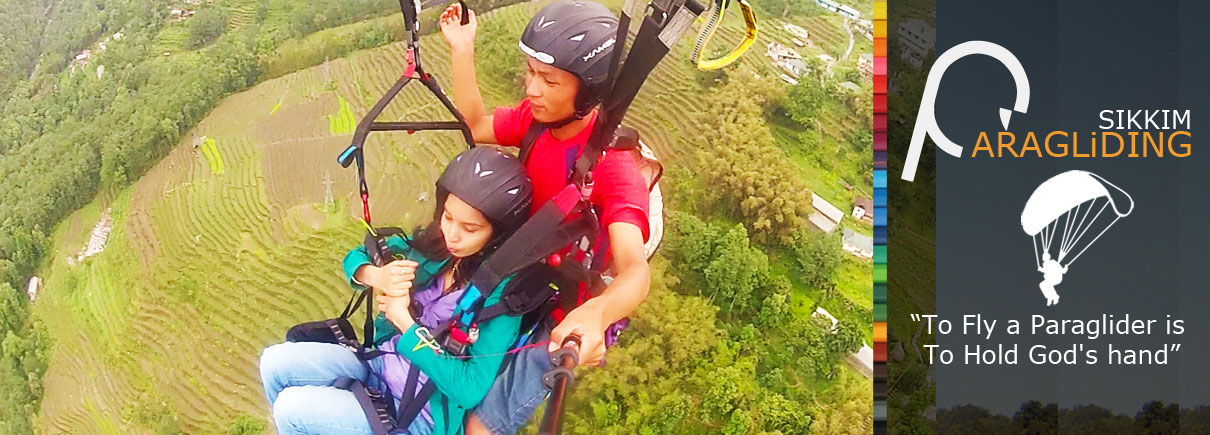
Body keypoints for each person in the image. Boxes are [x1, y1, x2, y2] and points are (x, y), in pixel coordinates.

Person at [438, 1, 652, 433]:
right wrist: (462, 49)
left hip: (562, 308)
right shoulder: (537, 122)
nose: (532, 89)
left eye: (549, 80)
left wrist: (597, 315)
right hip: (517, 274)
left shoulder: (613, 169)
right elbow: (476, 125)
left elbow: (635, 268)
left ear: (588, 92)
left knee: (480, 426)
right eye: (530, 72)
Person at [259, 147, 535, 435]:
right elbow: (358, 255)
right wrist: (378, 276)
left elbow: (469, 389)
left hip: (416, 412)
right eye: (448, 216)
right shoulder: (437, 249)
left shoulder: (500, 295)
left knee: (291, 410)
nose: (452, 234)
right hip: (379, 365)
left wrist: (405, 322)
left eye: (470, 228)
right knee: (273, 363)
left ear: (497, 233)